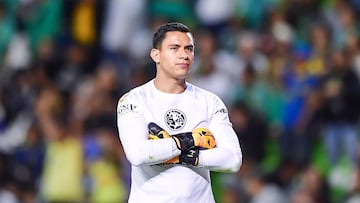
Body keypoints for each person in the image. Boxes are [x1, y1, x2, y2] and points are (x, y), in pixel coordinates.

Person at [116, 22, 242, 202]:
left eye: (189, 49)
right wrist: (191, 140)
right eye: (174, 48)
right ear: (156, 55)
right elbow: (138, 154)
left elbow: (232, 159)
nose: (184, 55)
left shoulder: (210, 102)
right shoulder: (133, 100)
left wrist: (176, 152)